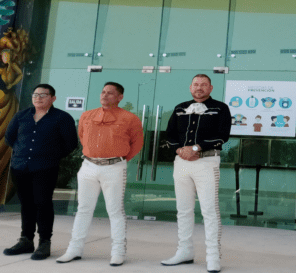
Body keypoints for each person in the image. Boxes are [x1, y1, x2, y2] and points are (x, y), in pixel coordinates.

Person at [56, 82, 144, 266]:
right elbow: (82, 136)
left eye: (110, 93)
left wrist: (117, 159)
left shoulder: (130, 118)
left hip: (114, 167)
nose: (104, 95)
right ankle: (74, 249)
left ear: (120, 97)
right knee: (83, 209)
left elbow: (137, 144)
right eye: (103, 92)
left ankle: (118, 251)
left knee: (115, 211)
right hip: (88, 166)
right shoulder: (87, 115)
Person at [161, 74, 231, 273]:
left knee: (209, 210)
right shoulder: (180, 107)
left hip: (207, 161)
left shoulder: (221, 108)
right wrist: (179, 150)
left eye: (204, 85)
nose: (199, 88)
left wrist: (196, 148)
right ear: (190, 87)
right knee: (183, 209)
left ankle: (213, 257)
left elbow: (222, 136)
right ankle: (184, 252)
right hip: (181, 162)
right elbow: (170, 135)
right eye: (196, 84)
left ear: (211, 88)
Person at [3, 84, 78, 260]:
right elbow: (9, 137)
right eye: (35, 94)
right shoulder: (21, 116)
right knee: (26, 204)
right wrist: (23, 152)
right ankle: (26, 240)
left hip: (45, 168)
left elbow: (71, 144)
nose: (38, 98)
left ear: (53, 98)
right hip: (20, 167)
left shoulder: (62, 118)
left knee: (43, 204)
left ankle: (45, 243)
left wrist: (50, 156)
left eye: (43, 95)